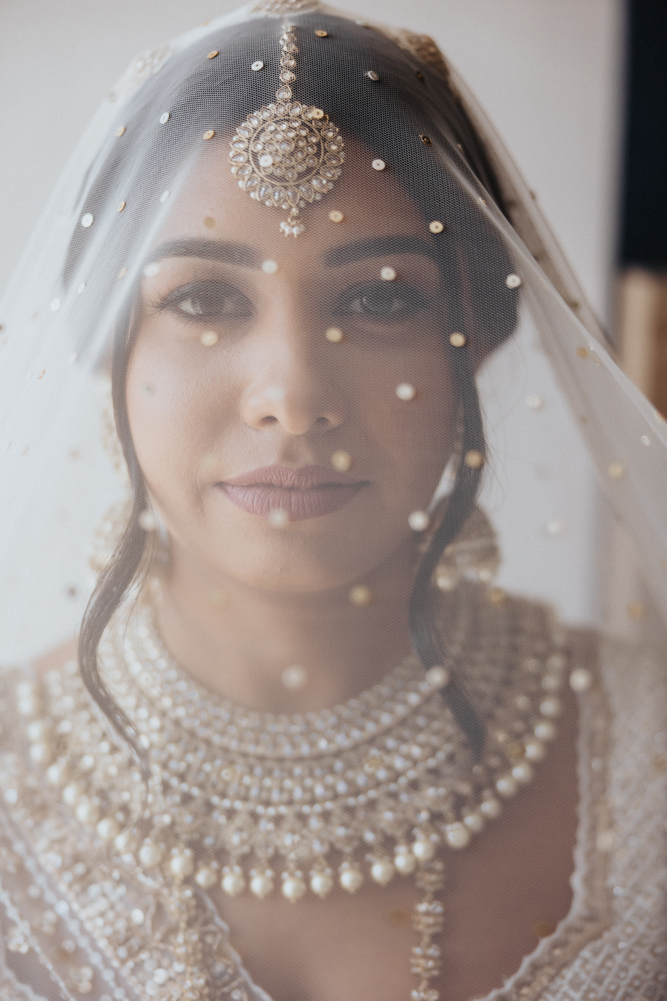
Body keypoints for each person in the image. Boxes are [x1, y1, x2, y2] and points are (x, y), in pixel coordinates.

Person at [0, 3, 665, 999]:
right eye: (205, 300)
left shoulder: (646, 760)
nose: (293, 396)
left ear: (474, 338)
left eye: (381, 297)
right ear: (108, 350)